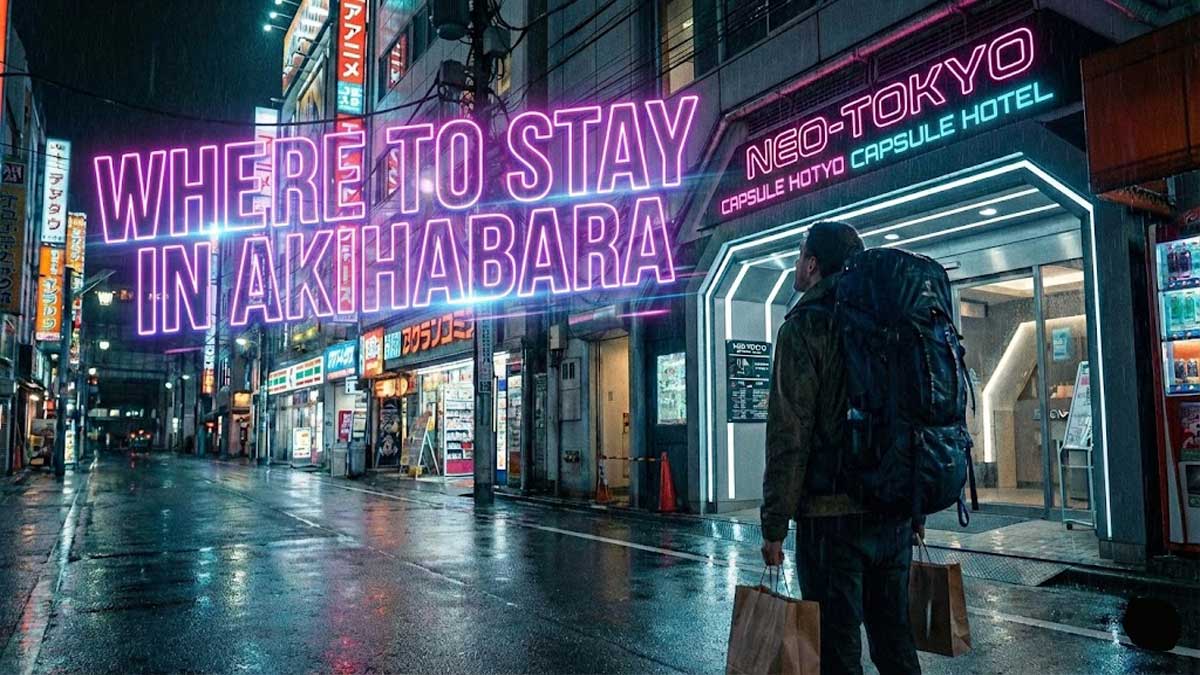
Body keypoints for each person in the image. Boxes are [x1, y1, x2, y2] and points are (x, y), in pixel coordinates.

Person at [760, 221, 922, 675]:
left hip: (831, 523)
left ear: (812, 265)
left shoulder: (805, 326)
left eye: (799, 254)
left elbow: (790, 434)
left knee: (837, 652)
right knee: (896, 645)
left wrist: (774, 523)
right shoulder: (889, 318)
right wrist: (916, 507)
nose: (796, 263)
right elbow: (913, 413)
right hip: (892, 512)